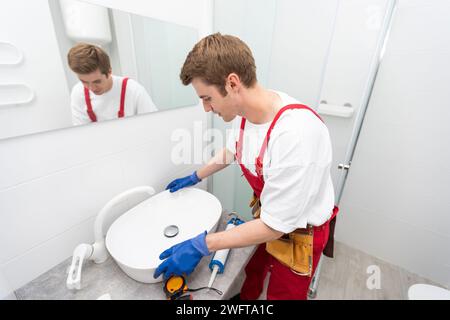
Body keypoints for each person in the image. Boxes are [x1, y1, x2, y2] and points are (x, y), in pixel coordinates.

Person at [154, 33, 338, 300]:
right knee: (255, 268)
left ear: (232, 83)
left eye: (207, 98)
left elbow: (276, 226)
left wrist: (202, 244)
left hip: (300, 234)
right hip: (270, 214)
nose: (206, 108)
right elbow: (232, 150)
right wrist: (196, 175)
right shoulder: (245, 115)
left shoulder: (296, 134)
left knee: (283, 294)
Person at [67, 43, 158, 125]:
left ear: (109, 71)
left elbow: (153, 124)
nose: (91, 88)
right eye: (84, 82)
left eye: (97, 81)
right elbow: (82, 133)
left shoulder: (133, 90)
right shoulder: (78, 93)